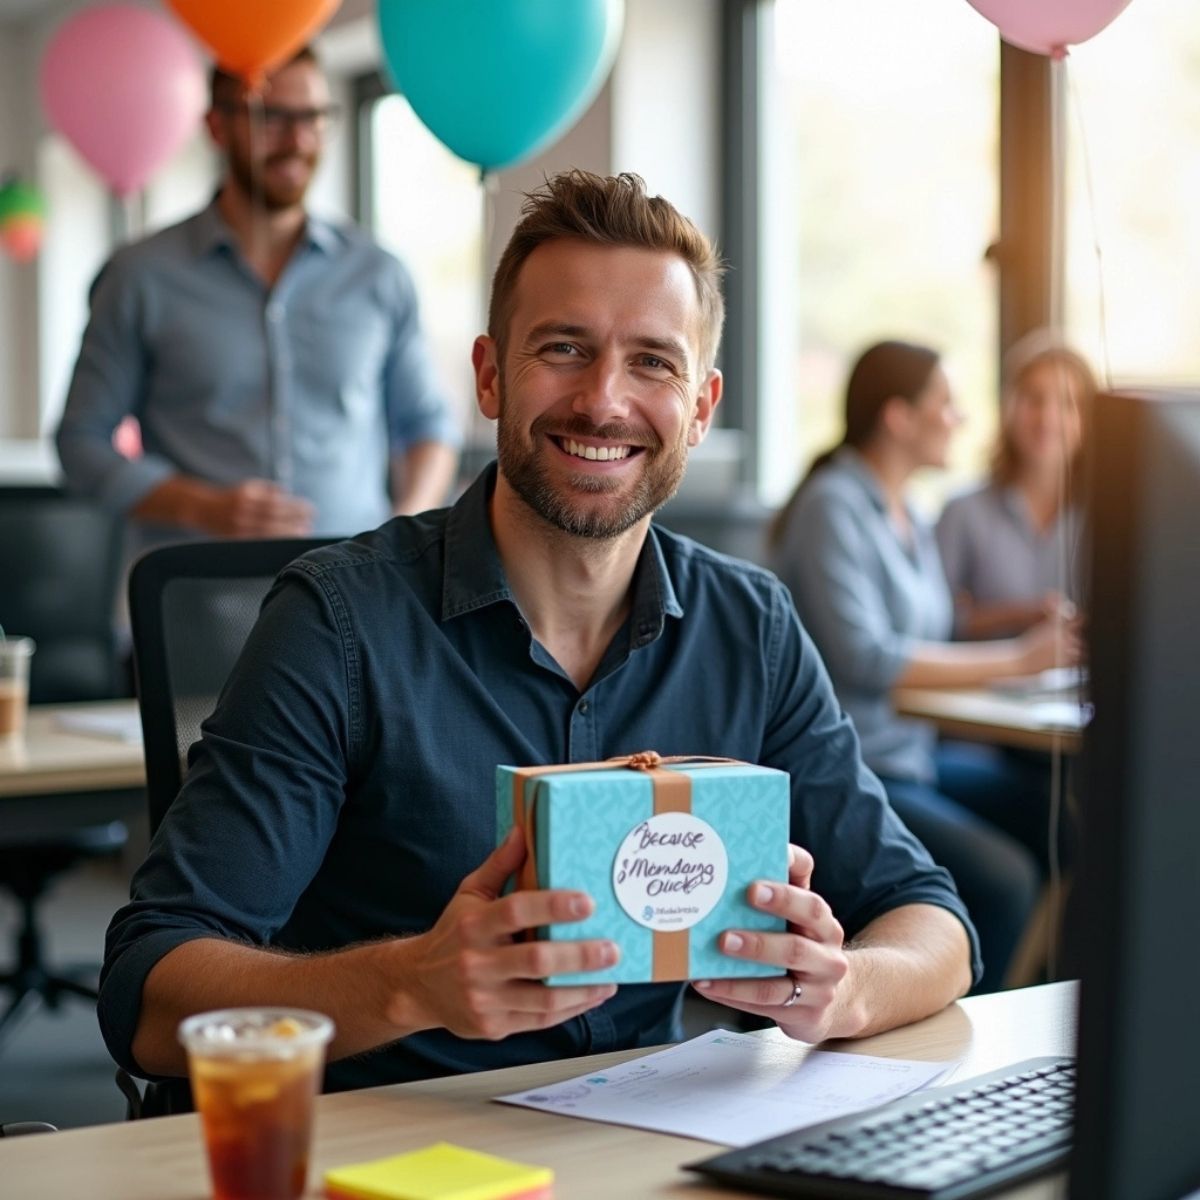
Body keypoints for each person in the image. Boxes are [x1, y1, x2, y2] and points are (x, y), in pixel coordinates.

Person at [99, 174, 979, 1095]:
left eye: (653, 362)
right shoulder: (341, 622)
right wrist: (413, 986)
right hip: (395, 1159)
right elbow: (149, 995)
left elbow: (933, 922)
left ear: (702, 407)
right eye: (564, 348)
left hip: (648, 1144)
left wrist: (842, 992)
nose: (603, 400)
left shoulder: (748, 626)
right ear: (489, 375)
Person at [55, 46, 459, 555]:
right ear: (217, 127)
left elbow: (428, 427)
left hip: (358, 594)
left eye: (313, 116)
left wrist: (403, 536)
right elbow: (81, 442)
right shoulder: (140, 276)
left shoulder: (379, 273)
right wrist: (201, 506)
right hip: (201, 594)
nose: (297, 140)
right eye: (272, 117)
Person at [768, 341, 1080, 993]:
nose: (960, 418)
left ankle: (1054, 1001)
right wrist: (1020, 659)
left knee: (1067, 818)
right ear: (898, 417)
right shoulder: (834, 506)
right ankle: (964, 1029)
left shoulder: (910, 512)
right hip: (857, 765)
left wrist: (1020, 625)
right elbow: (866, 655)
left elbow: (938, 629)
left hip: (913, 755)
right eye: (945, 404)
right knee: (1003, 877)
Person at [937, 332, 1096, 639]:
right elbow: (939, 624)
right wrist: (1024, 616)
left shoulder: (1108, 518)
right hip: (979, 685)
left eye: (1067, 403)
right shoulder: (962, 512)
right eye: (1034, 400)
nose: (1047, 418)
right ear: (1008, 406)